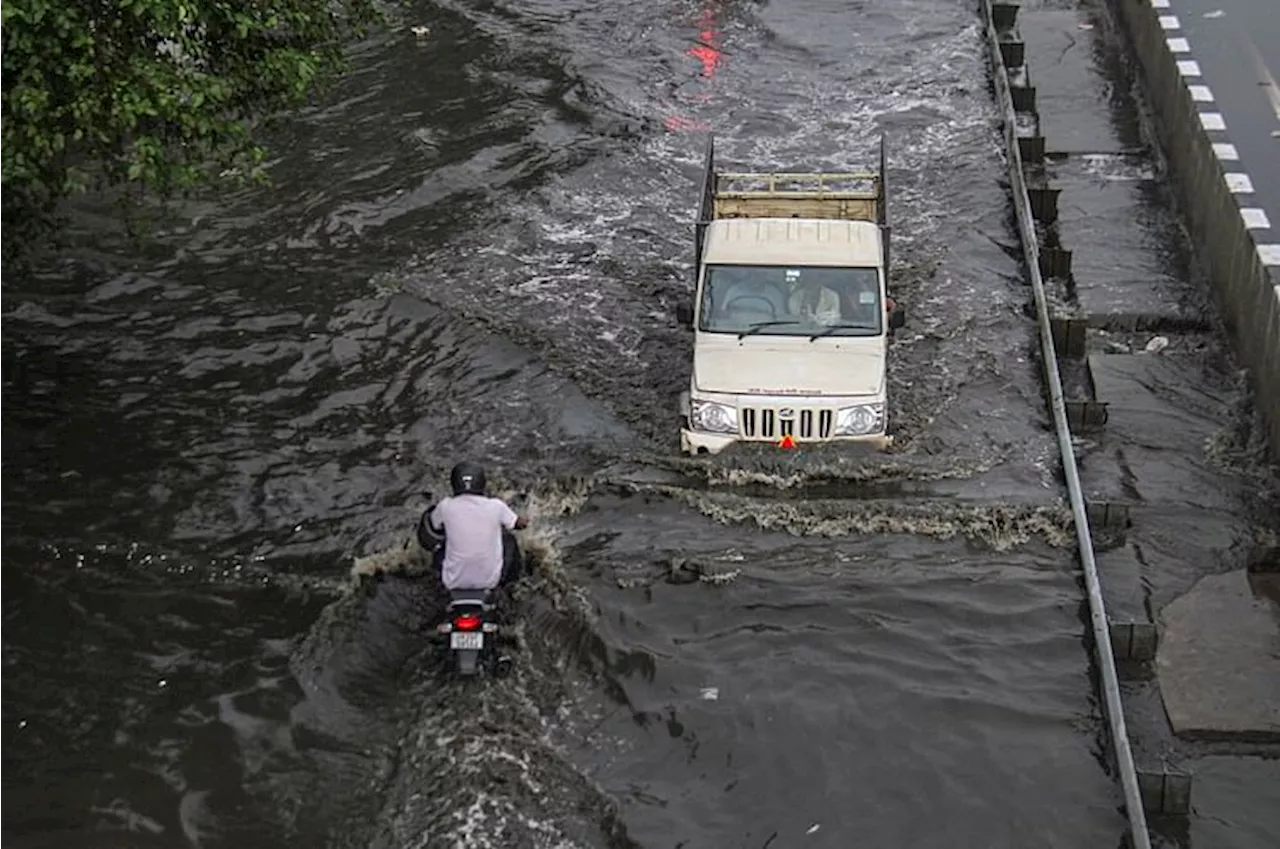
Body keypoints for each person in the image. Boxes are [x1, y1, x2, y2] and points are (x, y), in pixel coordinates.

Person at [423, 462, 529, 593]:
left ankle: (436, 581)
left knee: (442, 542)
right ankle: (512, 585)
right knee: (509, 540)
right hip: (490, 582)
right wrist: (526, 519)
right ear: (482, 483)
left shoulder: (445, 506)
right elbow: (519, 524)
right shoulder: (496, 506)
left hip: (452, 582)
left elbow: (431, 526)